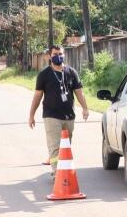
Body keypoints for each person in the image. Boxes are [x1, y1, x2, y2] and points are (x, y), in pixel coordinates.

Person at [28, 45, 89, 176]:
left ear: (64, 54)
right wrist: (31, 115)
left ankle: (64, 170)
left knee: (66, 146)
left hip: (69, 116)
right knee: (55, 147)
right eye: (55, 54)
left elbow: (79, 92)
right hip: (51, 116)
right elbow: (37, 96)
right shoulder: (44, 75)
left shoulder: (71, 72)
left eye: (60, 54)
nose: (58, 56)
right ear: (49, 56)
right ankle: (57, 173)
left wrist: (85, 108)